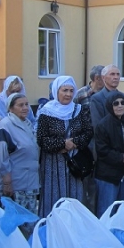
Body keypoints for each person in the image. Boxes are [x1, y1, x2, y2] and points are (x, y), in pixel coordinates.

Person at [37, 76, 93, 217]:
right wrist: (62, 144)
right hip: (53, 165)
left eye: (71, 90)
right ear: (56, 91)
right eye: (64, 90)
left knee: (74, 198)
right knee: (54, 198)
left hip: (74, 164)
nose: (68, 94)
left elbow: (88, 132)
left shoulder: (79, 110)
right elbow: (42, 139)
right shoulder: (46, 112)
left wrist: (73, 143)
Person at [94, 90, 124, 217]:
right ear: (109, 105)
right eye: (116, 103)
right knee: (107, 211)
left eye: (123, 103)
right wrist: (121, 157)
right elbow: (102, 150)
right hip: (108, 176)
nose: (120, 106)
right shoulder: (102, 125)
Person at [0, 93, 40, 217]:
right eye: (20, 105)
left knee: (28, 223)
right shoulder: (5, 126)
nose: (25, 108)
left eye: (26, 104)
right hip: (15, 186)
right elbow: (1, 156)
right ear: (10, 108)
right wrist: (7, 183)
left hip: (29, 182)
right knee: (15, 226)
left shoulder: (27, 124)